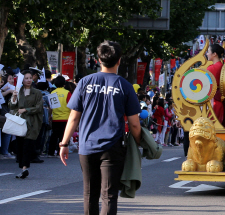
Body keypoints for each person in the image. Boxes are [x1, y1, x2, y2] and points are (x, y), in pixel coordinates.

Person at [59, 40, 142, 215]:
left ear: (98, 59)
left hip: (87, 146)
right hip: (112, 147)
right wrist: (140, 142)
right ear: (119, 60)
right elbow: (134, 123)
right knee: (109, 195)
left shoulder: (85, 82)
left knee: (89, 193)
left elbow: (74, 118)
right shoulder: (125, 86)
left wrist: (64, 143)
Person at [8, 71, 44, 178]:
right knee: (20, 146)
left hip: (32, 122)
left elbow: (38, 107)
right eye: (26, 78)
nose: (28, 80)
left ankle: (25, 168)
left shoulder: (37, 92)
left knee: (27, 145)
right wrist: (14, 98)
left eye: (30, 78)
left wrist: (26, 109)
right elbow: (12, 106)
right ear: (22, 80)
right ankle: (23, 167)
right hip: (20, 122)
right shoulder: (18, 91)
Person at [47, 75, 72, 157]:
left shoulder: (52, 93)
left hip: (55, 118)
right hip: (65, 118)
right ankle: (60, 152)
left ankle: (50, 152)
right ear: (64, 83)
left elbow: (51, 106)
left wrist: (50, 115)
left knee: (54, 135)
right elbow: (71, 105)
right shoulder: (67, 93)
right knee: (63, 136)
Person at [207, 43, 225, 125]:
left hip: (213, 101)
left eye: (208, 51)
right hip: (220, 101)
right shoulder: (222, 65)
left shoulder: (212, 68)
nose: (207, 54)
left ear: (214, 54)